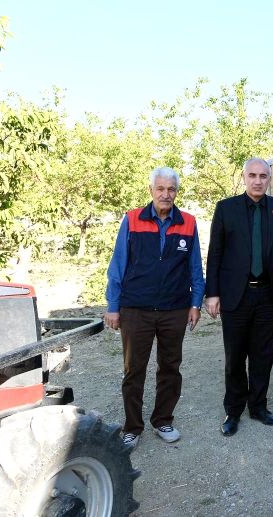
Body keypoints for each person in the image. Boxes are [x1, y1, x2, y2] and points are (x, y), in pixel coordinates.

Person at [104, 167, 204, 449]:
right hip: (136, 308)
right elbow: (118, 264)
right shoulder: (132, 219)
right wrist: (113, 305)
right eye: (160, 189)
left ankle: (163, 420)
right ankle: (132, 427)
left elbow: (195, 267)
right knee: (134, 369)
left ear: (176, 192)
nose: (165, 194)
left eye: (171, 189)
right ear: (151, 190)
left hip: (175, 308)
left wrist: (195, 302)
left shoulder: (188, 223)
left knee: (170, 367)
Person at [205, 158, 273, 437]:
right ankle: (233, 410)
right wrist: (212, 293)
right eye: (253, 175)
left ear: (269, 179)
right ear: (244, 177)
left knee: (263, 354)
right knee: (235, 356)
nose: (258, 181)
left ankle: (258, 406)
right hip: (236, 295)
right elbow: (215, 253)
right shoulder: (226, 208)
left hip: (269, 294)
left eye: (263, 176)